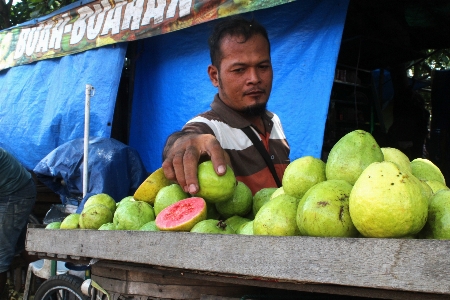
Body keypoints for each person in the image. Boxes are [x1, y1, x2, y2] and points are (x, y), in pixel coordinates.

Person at [162, 16, 290, 195]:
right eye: (239, 70)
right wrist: (182, 143)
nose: (254, 79)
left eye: (262, 66)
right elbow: (187, 138)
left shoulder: (273, 120)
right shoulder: (210, 128)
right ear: (215, 76)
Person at [0, 147, 37, 297]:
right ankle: (45, 287)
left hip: (15, 193)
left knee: (0, 252)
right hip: (12, 188)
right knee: (23, 245)